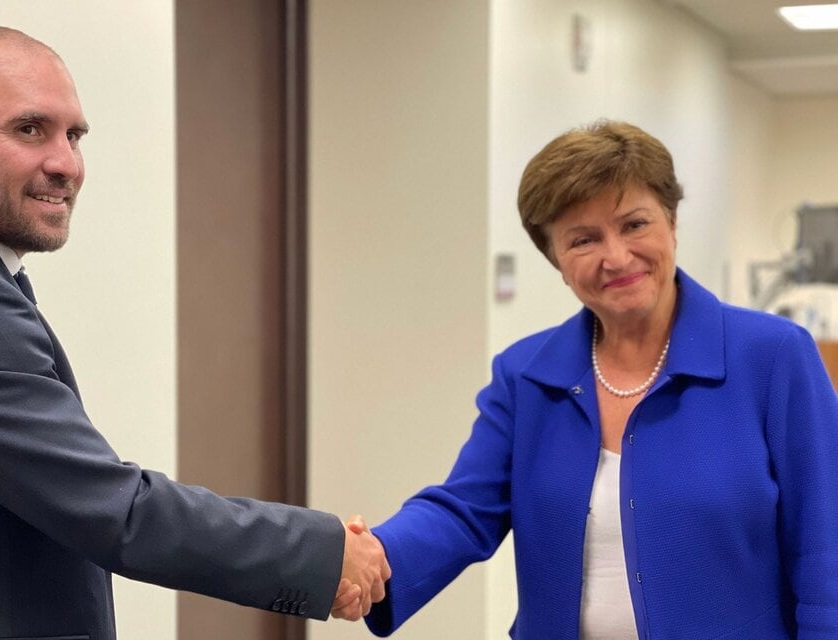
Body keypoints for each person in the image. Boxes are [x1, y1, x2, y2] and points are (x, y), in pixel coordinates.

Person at [0, 25, 388, 638]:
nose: (66, 163)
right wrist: (323, 554)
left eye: (75, 135)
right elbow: (117, 512)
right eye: (29, 129)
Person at [346, 121, 838, 638]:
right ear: (556, 259)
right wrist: (373, 556)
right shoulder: (527, 375)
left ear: (671, 222)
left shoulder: (773, 357)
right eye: (584, 239)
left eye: (634, 225)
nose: (617, 257)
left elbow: (826, 542)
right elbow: (464, 510)